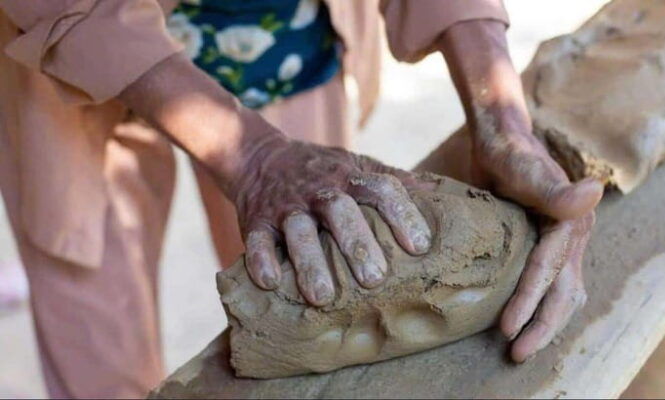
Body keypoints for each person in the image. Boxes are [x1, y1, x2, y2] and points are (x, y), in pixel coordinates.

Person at [0, 0, 602, 398]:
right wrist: (253, 159)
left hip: (272, 33)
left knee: (321, 261)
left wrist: (502, 119)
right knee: (94, 329)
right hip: (67, 54)